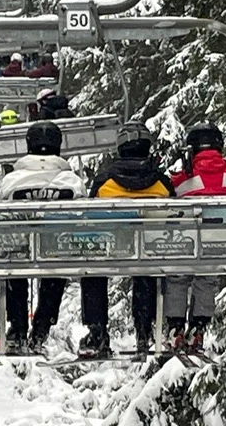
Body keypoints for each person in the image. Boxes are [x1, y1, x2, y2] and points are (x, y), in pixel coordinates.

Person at [79, 121, 175, 359]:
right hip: (149, 249)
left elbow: (90, 219)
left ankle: (97, 330)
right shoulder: (161, 183)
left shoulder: (105, 184)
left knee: (92, 270)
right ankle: (144, 331)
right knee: (147, 268)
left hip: (111, 249)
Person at [0, 122, 88, 353]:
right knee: (56, 269)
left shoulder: (11, 181)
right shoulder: (72, 182)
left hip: (18, 249)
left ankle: (17, 327)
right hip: (56, 249)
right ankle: (41, 328)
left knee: (14, 264)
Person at [164, 122, 226, 352]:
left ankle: (176, 327)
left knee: (178, 276)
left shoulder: (182, 181)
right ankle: (199, 326)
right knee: (207, 277)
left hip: (188, 245)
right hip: (224, 245)